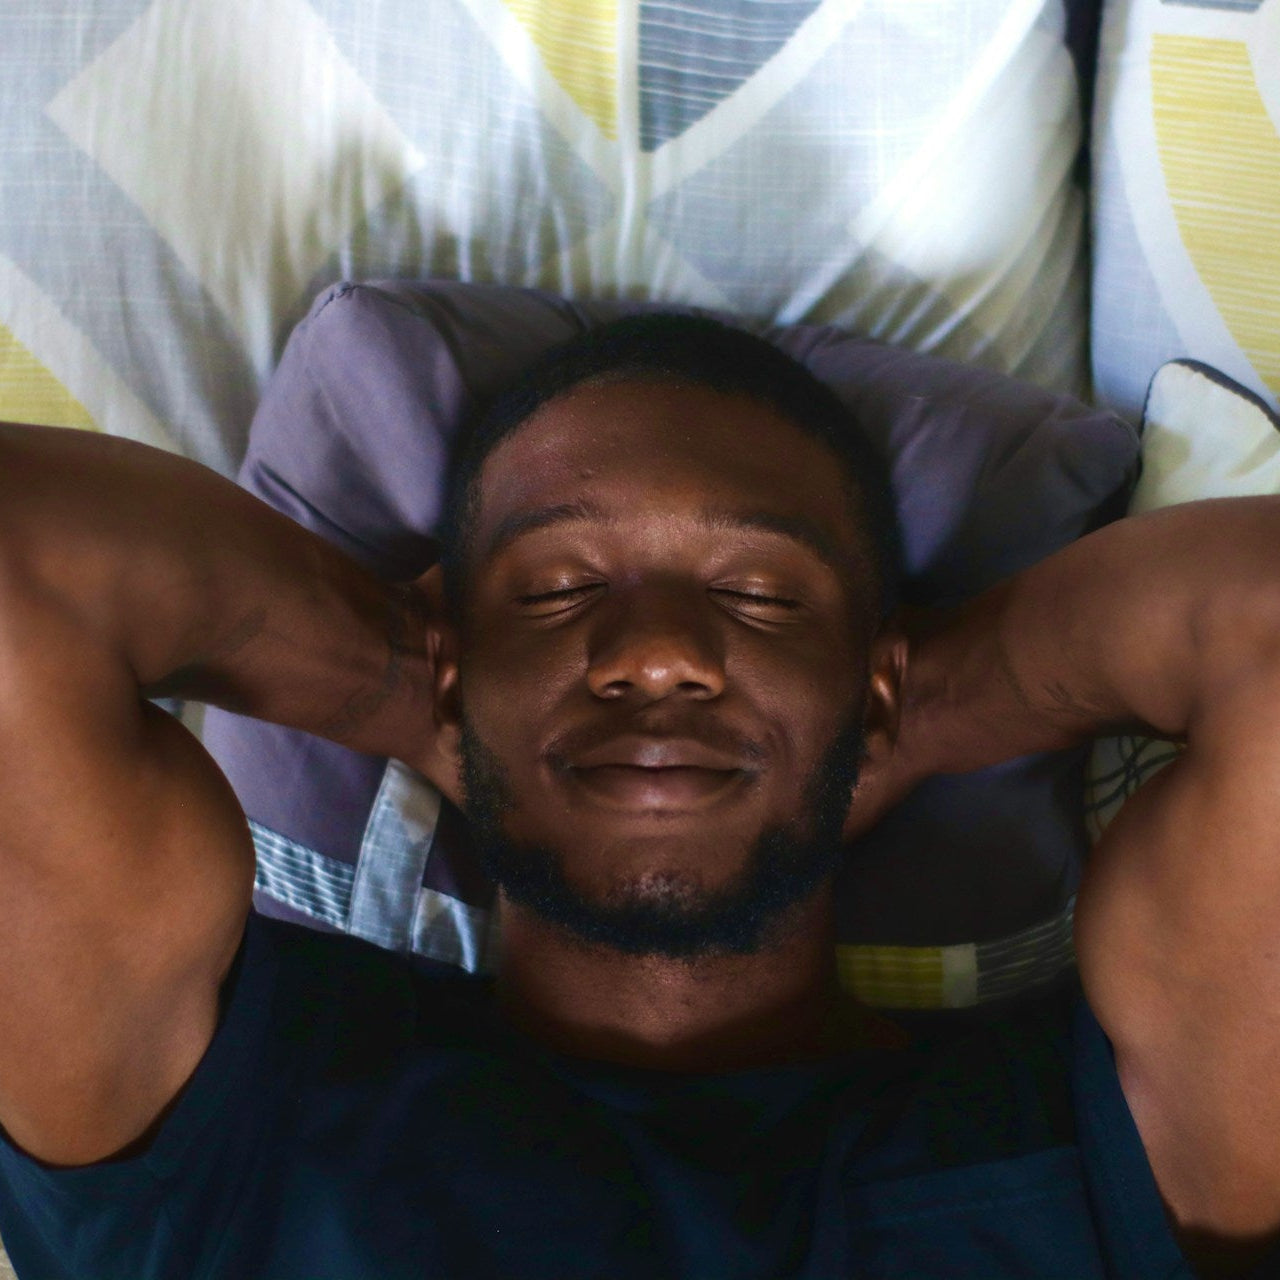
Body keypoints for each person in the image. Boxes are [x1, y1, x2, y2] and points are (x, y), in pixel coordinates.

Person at [0, 314, 1275, 1279]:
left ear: (866, 685)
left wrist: (929, 701)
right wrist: (400, 679)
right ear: (458, 653)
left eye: (759, 595)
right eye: (555, 591)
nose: (653, 651)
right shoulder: (225, 1123)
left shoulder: (1089, 1150)